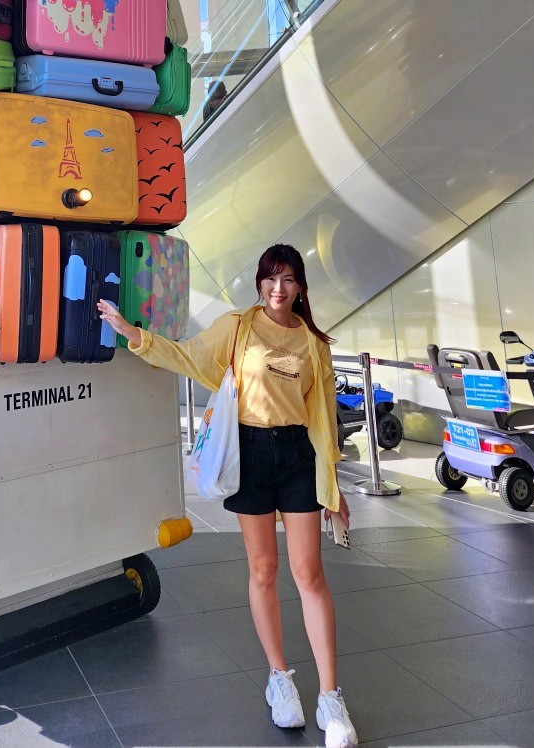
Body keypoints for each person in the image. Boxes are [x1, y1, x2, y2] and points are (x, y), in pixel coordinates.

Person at [99, 243, 357, 748]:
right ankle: (279, 679)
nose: (277, 289)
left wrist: (333, 487)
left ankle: (330, 696)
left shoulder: (313, 342)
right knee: (263, 569)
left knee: (310, 574)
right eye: (270, 278)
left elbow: (325, 419)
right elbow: (189, 357)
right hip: (252, 454)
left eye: (287, 280)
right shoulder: (237, 327)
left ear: (301, 287)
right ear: (260, 283)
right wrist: (135, 336)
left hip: (299, 455)